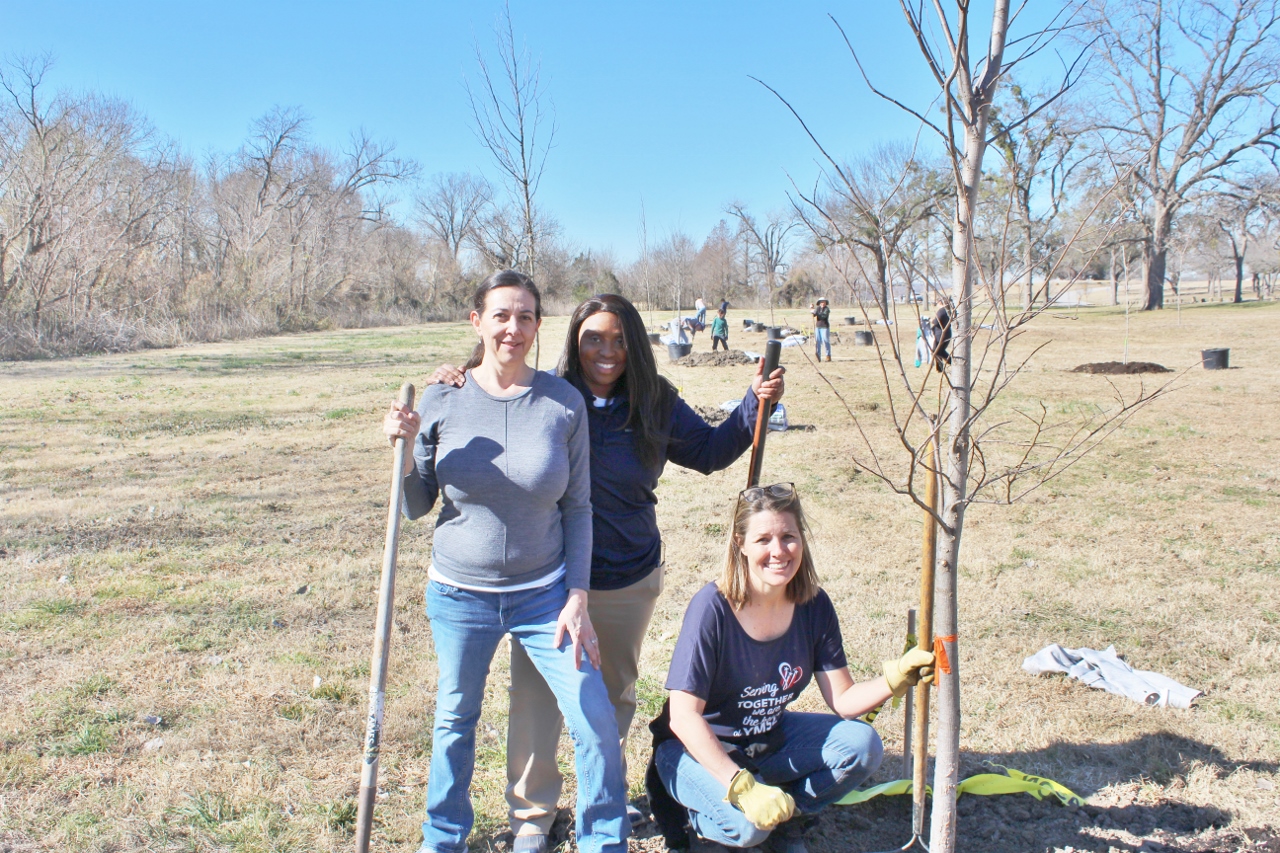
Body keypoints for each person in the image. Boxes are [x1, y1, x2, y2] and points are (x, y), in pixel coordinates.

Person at [426, 293, 785, 853]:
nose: (607, 351)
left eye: (619, 339)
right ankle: (532, 815)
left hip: (624, 577)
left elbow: (711, 451)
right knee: (537, 699)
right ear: (573, 340)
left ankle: (605, 799)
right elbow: (490, 390)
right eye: (593, 337)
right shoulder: (551, 397)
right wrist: (458, 374)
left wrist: (751, 405)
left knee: (610, 699)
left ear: (635, 344)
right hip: (548, 578)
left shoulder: (654, 402)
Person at [383, 271, 629, 853]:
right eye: (501, 315)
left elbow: (579, 507)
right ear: (478, 322)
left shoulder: (563, 403)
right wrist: (405, 445)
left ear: (538, 327)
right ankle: (442, 839)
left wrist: (577, 596)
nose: (512, 328)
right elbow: (417, 505)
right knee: (453, 723)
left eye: (524, 317)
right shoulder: (443, 395)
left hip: (545, 596)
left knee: (593, 717)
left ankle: (603, 842)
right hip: (459, 596)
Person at [648, 484, 935, 853]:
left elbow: (844, 700)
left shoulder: (813, 605)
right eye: (763, 539)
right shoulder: (713, 608)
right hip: (692, 752)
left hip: (768, 742)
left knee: (861, 746)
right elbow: (684, 718)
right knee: (748, 829)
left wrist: (896, 678)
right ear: (740, 544)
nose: (778, 551)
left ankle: (787, 818)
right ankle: (703, 825)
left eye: (788, 537)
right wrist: (741, 786)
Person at [930, 295, 952, 372]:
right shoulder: (948, 310)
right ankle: (940, 368)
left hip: (941, 334)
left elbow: (937, 321)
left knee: (936, 351)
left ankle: (948, 364)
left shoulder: (941, 311)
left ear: (940, 302)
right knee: (941, 351)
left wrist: (931, 320)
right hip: (947, 333)